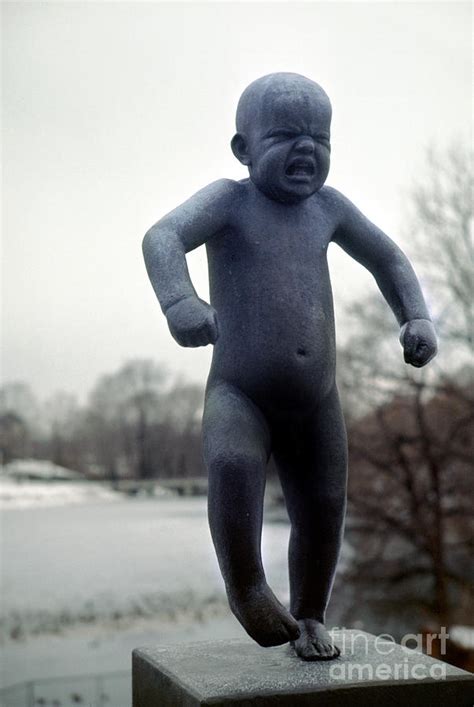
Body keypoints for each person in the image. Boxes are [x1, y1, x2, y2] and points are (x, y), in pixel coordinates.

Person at [142, 73, 437, 660]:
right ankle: (247, 586)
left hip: (317, 400)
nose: (307, 149)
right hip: (239, 393)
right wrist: (181, 301)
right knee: (231, 466)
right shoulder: (230, 201)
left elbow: (387, 257)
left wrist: (417, 316)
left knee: (324, 506)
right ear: (243, 149)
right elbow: (164, 235)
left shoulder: (327, 208)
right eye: (284, 135)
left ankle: (310, 614)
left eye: (319, 138)